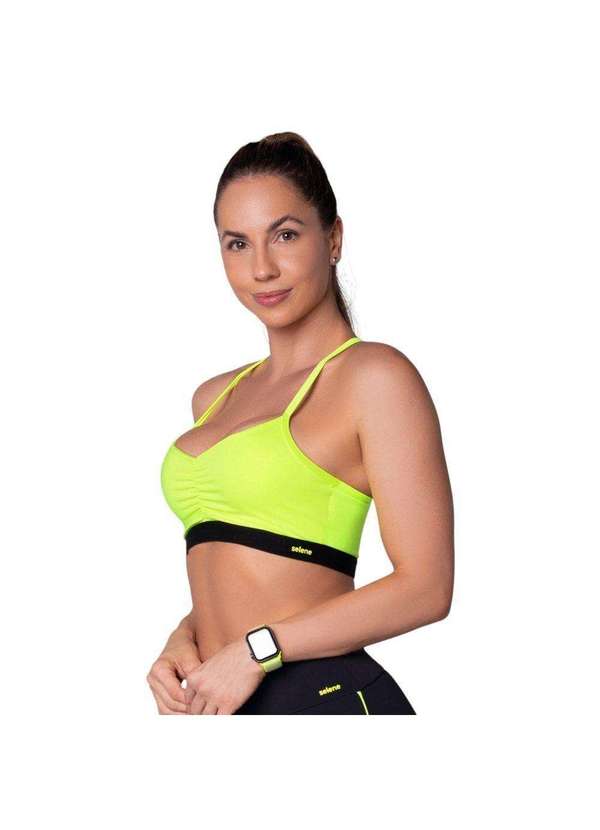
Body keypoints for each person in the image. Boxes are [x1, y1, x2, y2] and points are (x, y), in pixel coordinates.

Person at [147, 131, 454, 715]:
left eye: (285, 235)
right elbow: (255, 573)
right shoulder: (213, 397)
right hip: (219, 700)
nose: (262, 268)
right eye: (238, 244)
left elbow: (426, 587)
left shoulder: (374, 378)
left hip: (323, 696)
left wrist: (257, 651)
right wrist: (184, 638)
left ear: (333, 238)